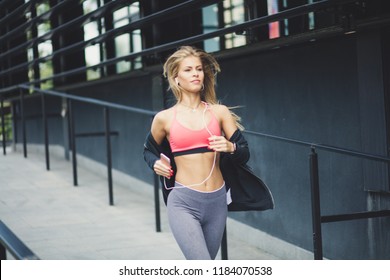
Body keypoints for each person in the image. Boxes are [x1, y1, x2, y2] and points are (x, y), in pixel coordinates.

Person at [143, 46, 274, 260]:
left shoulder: (219, 113)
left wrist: (230, 147)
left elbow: (244, 152)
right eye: (188, 70)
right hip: (183, 201)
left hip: (217, 201)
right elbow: (148, 150)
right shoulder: (164, 118)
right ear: (176, 79)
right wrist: (154, 162)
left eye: (199, 69)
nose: (195, 73)